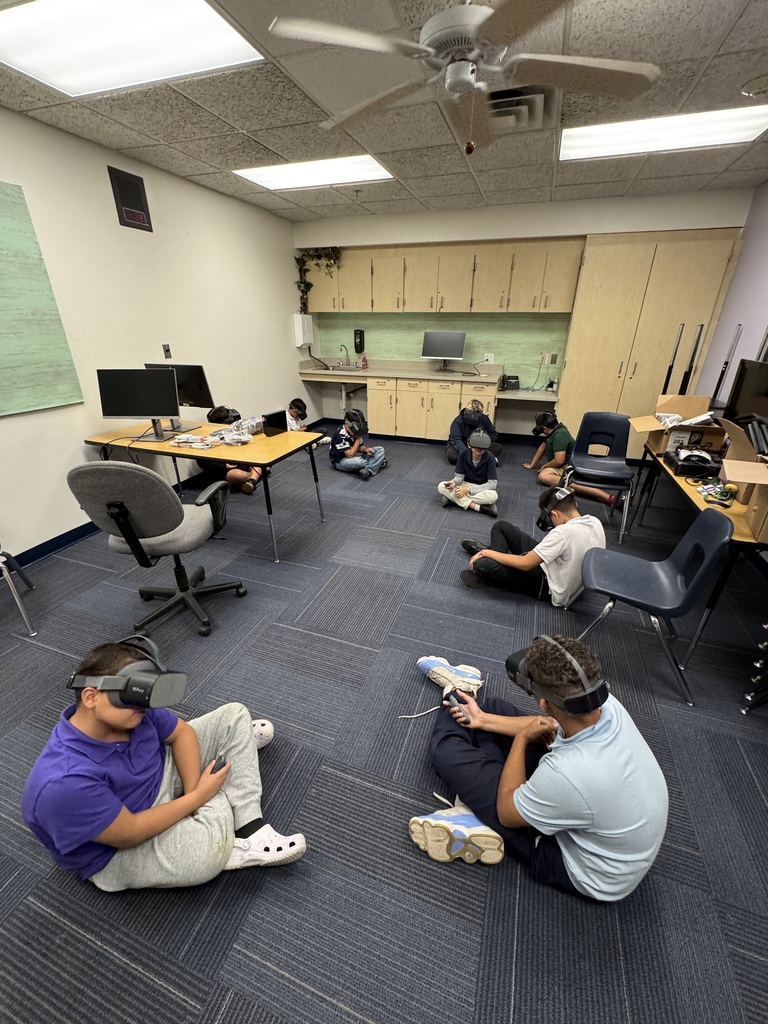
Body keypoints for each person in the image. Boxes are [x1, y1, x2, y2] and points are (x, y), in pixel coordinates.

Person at [21, 638, 306, 891]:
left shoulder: (134, 712)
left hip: (159, 773)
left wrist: (194, 797)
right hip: (119, 849)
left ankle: (249, 828)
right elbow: (130, 832)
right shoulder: (64, 783)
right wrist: (200, 796)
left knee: (233, 716)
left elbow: (182, 733)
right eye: (133, 697)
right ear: (91, 696)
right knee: (205, 856)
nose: (143, 707)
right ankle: (230, 770)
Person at [409, 637, 669, 902]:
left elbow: (508, 812)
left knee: (446, 750)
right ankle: (474, 806)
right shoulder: (603, 703)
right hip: (603, 823)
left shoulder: (569, 773)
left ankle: (455, 690)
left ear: (544, 703)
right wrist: (482, 720)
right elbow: (546, 725)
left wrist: (522, 739)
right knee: (493, 711)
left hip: (580, 869)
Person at [460, 485, 605, 606]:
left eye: (550, 519)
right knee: (501, 526)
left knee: (481, 564)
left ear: (555, 514)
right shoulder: (594, 521)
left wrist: (486, 553)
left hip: (550, 586)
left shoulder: (563, 533)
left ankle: (492, 575)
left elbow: (525, 564)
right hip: (562, 571)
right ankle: (496, 558)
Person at [523, 411, 623, 510]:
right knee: (545, 474)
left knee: (544, 476)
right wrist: (532, 464)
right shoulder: (554, 431)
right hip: (561, 467)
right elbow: (542, 447)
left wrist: (544, 466)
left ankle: (609, 498)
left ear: (545, 429)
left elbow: (559, 460)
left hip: (569, 467)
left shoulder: (560, 435)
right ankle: (566, 481)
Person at [204, 405, 263, 495]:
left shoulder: (234, 432)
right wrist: (225, 466)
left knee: (260, 461)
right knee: (238, 475)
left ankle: (251, 482)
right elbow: (202, 462)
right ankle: (253, 477)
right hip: (225, 469)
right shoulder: (210, 439)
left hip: (241, 461)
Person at [438, 429, 498, 517]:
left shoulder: (490, 458)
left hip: (481, 487)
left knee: (493, 496)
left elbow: (492, 484)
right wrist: (453, 483)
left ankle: (453, 500)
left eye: (482, 446)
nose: (479, 449)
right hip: (464, 484)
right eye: (476, 445)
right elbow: (459, 478)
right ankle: (477, 507)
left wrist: (468, 490)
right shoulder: (463, 454)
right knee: (441, 486)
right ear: (469, 444)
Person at [329, 408, 387, 480]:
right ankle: (375, 464)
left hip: (354, 453)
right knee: (360, 462)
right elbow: (350, 455)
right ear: (346, 424)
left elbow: (359, 447)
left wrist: (366, 450)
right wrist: (358, 439)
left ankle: (369, 469)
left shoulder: (354, 432)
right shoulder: (340, 435)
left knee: (380, 449)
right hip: (340, 461)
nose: (354, 432)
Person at [446, 400, 501, 465]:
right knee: (452, 455)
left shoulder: (484, 418)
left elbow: (494, 434)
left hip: (478, 445)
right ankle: (482, 460)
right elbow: (456, 440)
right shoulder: (458, 421)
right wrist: (466, 452)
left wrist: (484, 439)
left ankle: (471, 460)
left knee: (497, 447)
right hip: (462, 445)